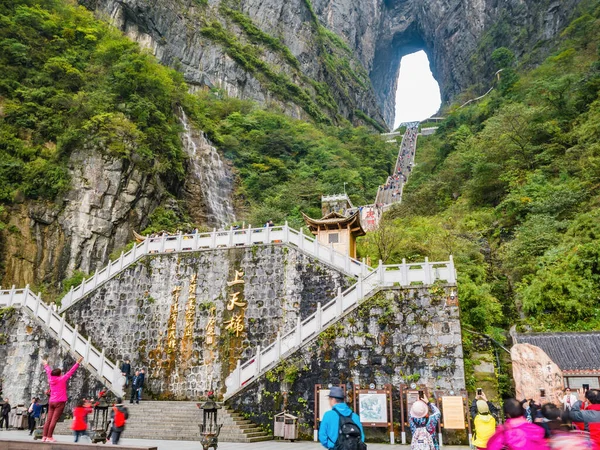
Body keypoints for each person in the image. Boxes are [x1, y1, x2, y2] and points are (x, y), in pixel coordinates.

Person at [42, 356, 83, 442]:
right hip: (60, 402)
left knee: (48, 419)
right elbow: (71, 372)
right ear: (59, 374)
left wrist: (45, 364)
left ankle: (44, 437)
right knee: (54, 420)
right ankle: (49, 437)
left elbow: (48, 370)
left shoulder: (50, 378)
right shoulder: (62, 379)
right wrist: (77, 363)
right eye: (61, 372)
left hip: (51, 401)